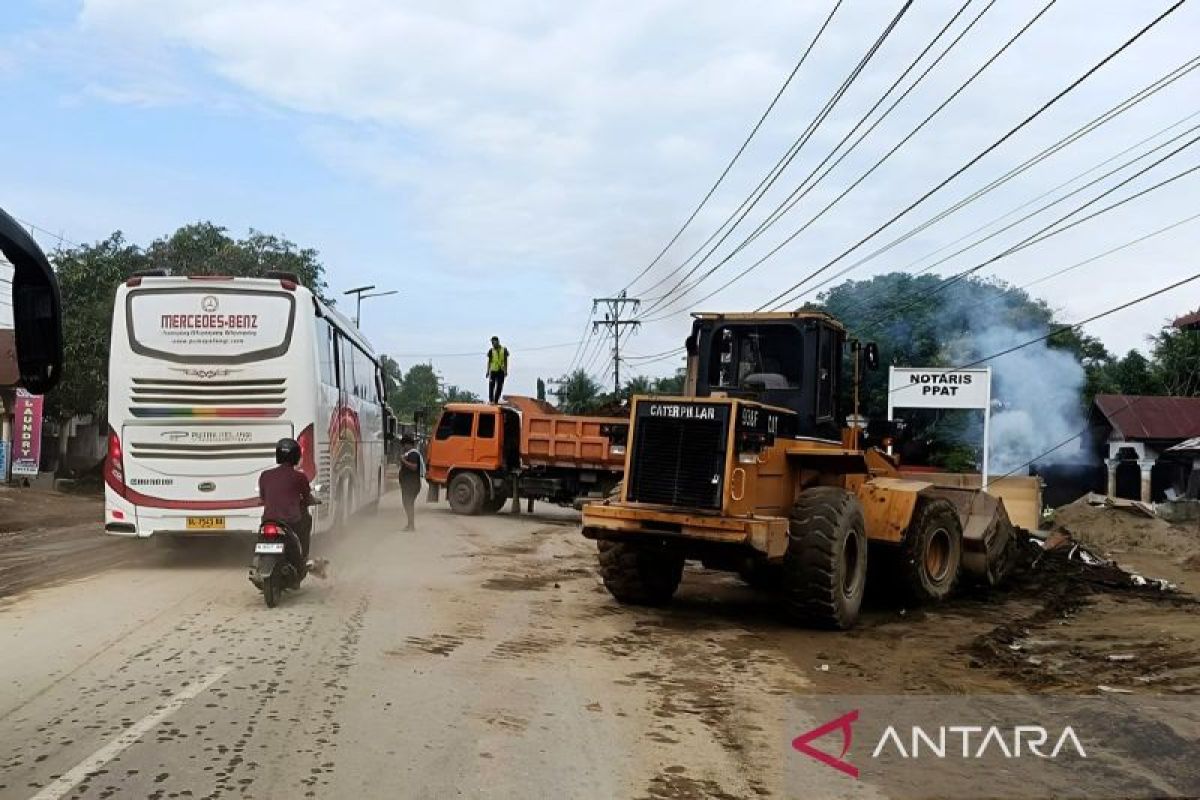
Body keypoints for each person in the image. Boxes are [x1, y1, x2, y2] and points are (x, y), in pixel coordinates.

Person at [259, 437, 325, 579]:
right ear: (296, 456)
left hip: (268, 520)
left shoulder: (264, 475)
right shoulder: (299, 477)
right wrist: (312, 501)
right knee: (306, 519)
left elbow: (263, 498)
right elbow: (307, 498)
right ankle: (303, 558)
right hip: (290, 521)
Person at [399, 434, 425, 531]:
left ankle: (411, 525)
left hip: (412, 484)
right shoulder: (409, 454)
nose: (403, 448)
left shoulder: (413, 454)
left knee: (408, 503)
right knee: (407, 504)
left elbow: (414, 467)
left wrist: (403, 461)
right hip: (408, 484)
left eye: (404, 445)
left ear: (408, 444)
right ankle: (410, 524)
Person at [486, 336, 510, 404]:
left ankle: (496, 400)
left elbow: (506, 360)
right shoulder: (491, 350)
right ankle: (491, 400)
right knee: (491, 386)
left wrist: (506, 370)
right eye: (492, 342)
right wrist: (487, 371)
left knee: (499, 386)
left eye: (493, 342)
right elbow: (489, 361)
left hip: (501, 370)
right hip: (493, 370)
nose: (492, 344)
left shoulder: (504, 349)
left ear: (497, 341)